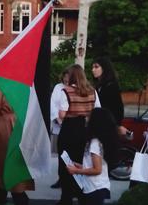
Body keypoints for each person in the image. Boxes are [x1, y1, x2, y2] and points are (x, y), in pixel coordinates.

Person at [57, 64, 101, 205]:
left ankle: (66, 199)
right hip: (85, 130)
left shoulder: (66, 91)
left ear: (71, 77)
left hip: (69, 131)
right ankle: (82, 196)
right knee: (82, 164)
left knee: (66, 165)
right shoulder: (93, 92)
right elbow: (98, 111)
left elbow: (62, 113)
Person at [0, 79, 32, 205]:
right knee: (14, 164)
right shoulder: (22, 85)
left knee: (1, 165)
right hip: (19, 125)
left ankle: (5, 197)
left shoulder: (0, 86)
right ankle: (19, 195)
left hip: (4, 127)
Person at [66, 108, 118, 205]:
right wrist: (81, 166)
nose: (86, 118)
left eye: (89, 117)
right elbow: (97, 165)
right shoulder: (100, 141)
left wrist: (76, 171)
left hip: (94, 188)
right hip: (96, 187)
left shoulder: (94, 143)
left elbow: (97, 170)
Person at [91, 57, 127, 136]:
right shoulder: (97, 86)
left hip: (108, 126)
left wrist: (116, 125)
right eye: (92, 67)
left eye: (96, 67)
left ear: (105, 68)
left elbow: (118, 108)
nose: (93, 70)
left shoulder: (111, 86)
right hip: (98, 124)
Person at [50, 67, 71, 189]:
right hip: (59, 123)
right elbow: (52, 103)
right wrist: (57, 118)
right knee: (61, 153)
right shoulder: (58, 87)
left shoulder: (76, 87)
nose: (67, 78)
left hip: (72, 124)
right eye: (65, 76)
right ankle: (61, 178)